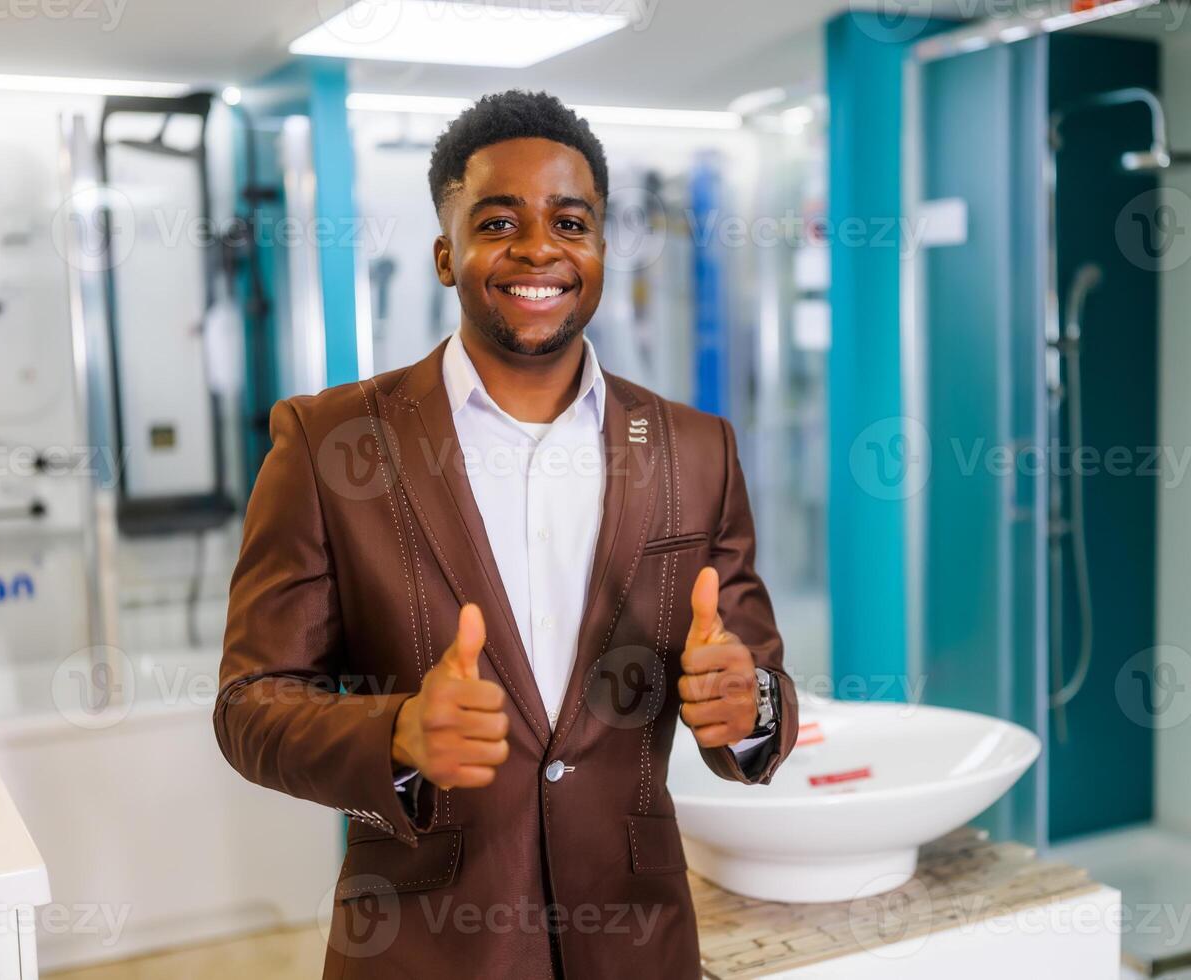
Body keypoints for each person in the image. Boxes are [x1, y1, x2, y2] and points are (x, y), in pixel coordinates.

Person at [214, 89, 798, 978]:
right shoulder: (332, 442)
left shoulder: (695, 449)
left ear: (600, 249)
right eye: (498, 221)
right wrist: (398, 735)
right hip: (423, 947)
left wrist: (747, 708)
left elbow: (758, 679)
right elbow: (250, 703)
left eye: (571, 220)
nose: (538, 247)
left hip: (636, 945)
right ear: (447, 255)